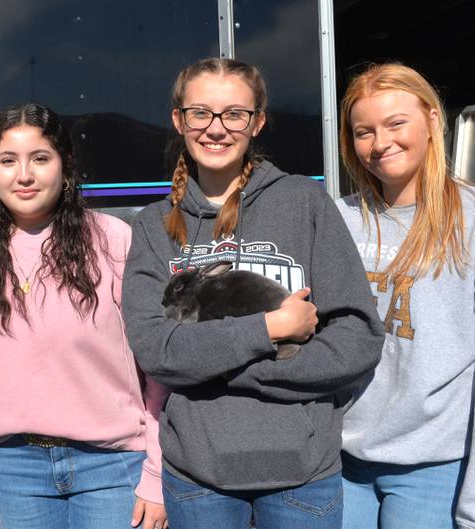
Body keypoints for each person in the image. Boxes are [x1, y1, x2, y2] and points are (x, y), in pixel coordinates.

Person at [121, 57, 384, 529]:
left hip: (301, 474)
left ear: (257, 122)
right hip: (198, 478)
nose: (216, 128)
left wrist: (217, 371)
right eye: (200, 113)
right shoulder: (152, 227)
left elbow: (357, 337)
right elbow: (156, 351)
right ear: (179, 119)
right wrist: (269, 330)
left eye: (234, 114)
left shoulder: (304, 202)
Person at [336, 62, 475, 529]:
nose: (380, 143)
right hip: (340, 464)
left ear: (433, 120)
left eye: (397, 123)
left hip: (436, 470)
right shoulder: (338, 220)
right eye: (363, 131)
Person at [0, 103, 168, 529]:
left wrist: (156, 474)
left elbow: (158, 370)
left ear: (65, 166)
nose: (24, 175)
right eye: (8, 161)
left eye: (40, 158)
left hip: (112, 468)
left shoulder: (114, 240)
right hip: (13, 471)